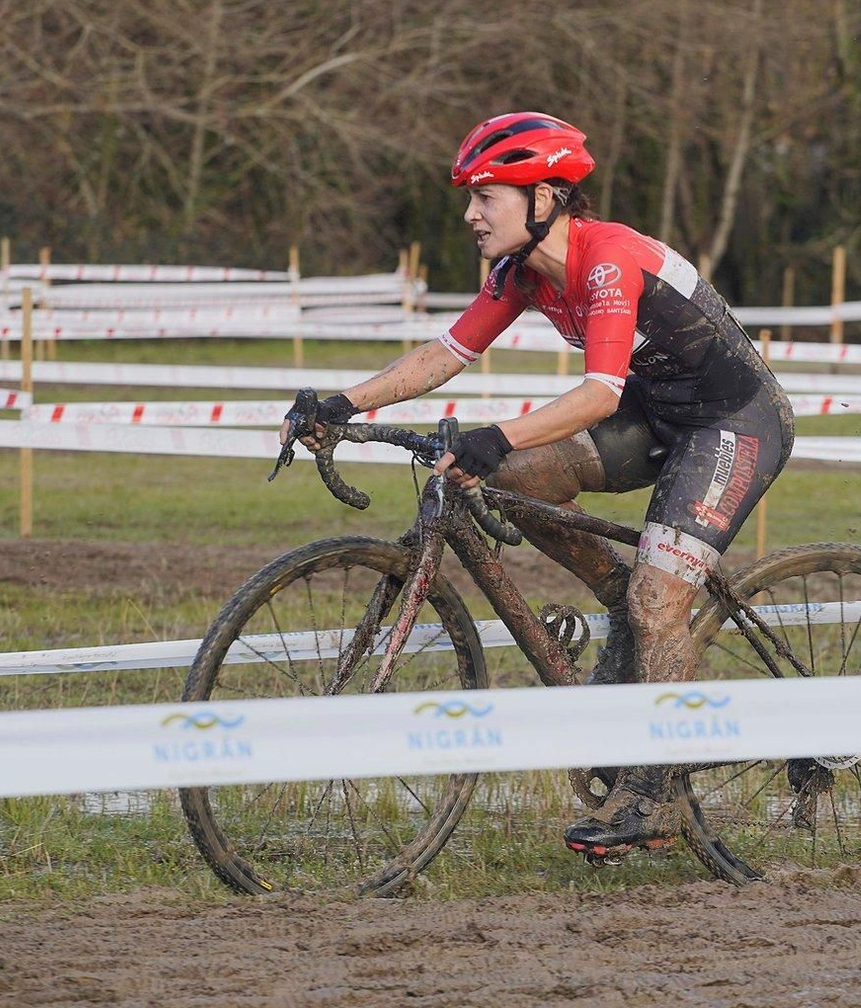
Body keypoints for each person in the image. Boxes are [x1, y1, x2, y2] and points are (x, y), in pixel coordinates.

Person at [279, 112, 795, 858]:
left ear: (545, 198)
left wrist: (497, 433)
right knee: (514, 481)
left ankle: (653, 795)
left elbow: (596, 394)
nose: (470, 213)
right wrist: (344, 401)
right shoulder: (520, 273)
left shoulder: (608, 260)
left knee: (655, 596)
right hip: (655, 414)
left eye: (487, 196)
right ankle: (626, 598)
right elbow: (446, 352)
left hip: (732, 422)